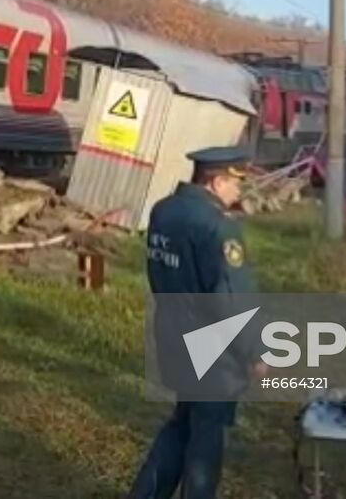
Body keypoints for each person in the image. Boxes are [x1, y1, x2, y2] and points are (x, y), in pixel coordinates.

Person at [129, 146, 263, 499]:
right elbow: (231, 297)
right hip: (211, 345)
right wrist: (254, 352)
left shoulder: (164, 211)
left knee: (183, 422)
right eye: (237, 183)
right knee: (207, 438)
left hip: (172, 332)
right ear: (217, 181)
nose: (239, 191)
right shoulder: (219, 225)